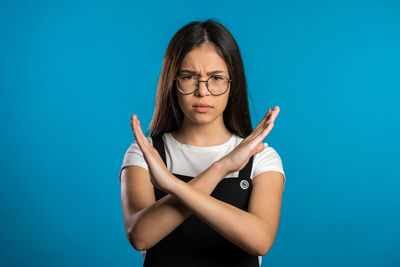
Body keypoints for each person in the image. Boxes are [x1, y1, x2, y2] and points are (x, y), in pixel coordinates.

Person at [119, 19, 286, 267]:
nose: (202, 91)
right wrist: (222, 167)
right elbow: (140, 236)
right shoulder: (145, 152)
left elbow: (260, 240)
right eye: (189, 77)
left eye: (216, 77)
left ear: (233, 84)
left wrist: (171, 185)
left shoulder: (262, 157)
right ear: (172, 83)